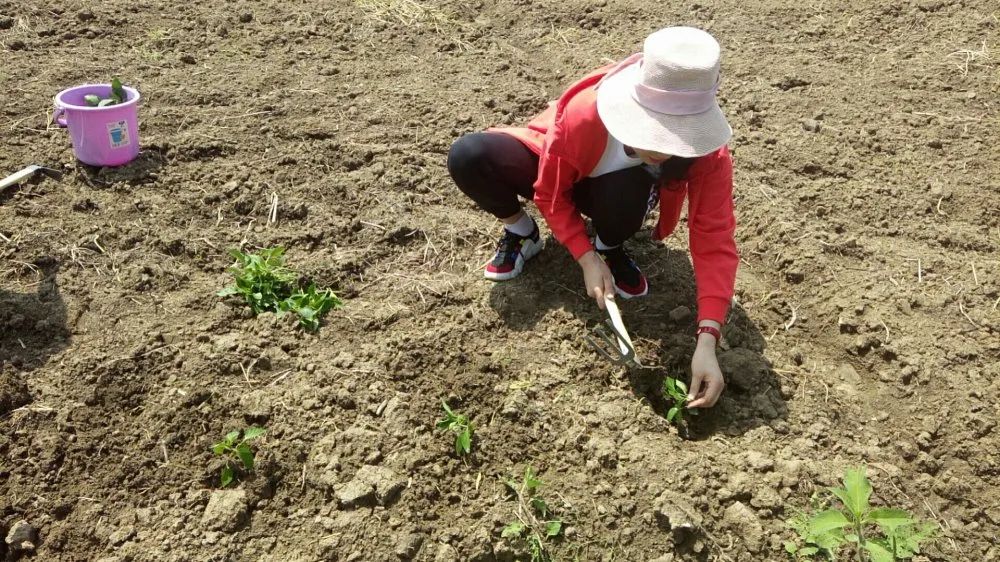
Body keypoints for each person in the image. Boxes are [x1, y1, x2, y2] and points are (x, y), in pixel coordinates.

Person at [446, 27, 737, 409]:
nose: (662, 148)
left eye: (677, 136)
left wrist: (707, 339)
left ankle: (611, 246)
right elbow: (550, 191)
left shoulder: (707, 157)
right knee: (470, 155)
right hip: (569, 172)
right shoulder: (587, 113)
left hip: (617, 197)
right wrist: (584, 257)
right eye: (656, 130)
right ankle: (522, 233)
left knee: (633, 180)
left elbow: (714, 239)